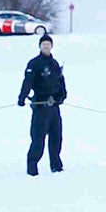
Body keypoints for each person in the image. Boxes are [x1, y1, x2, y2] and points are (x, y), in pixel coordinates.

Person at [18, 33, 67, 175]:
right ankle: (32, 167)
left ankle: (56, 166)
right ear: (40, 46)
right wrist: (22, 97)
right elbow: (28, 81)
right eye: (44, 44)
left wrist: (61, 97)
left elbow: (60, 82)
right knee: (38, 138)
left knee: (56, 137)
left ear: (51, 46)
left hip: (54, 107)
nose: (46, 46)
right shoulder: (34, 63)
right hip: (40, 106)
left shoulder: (54, 63)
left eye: (48, 44)